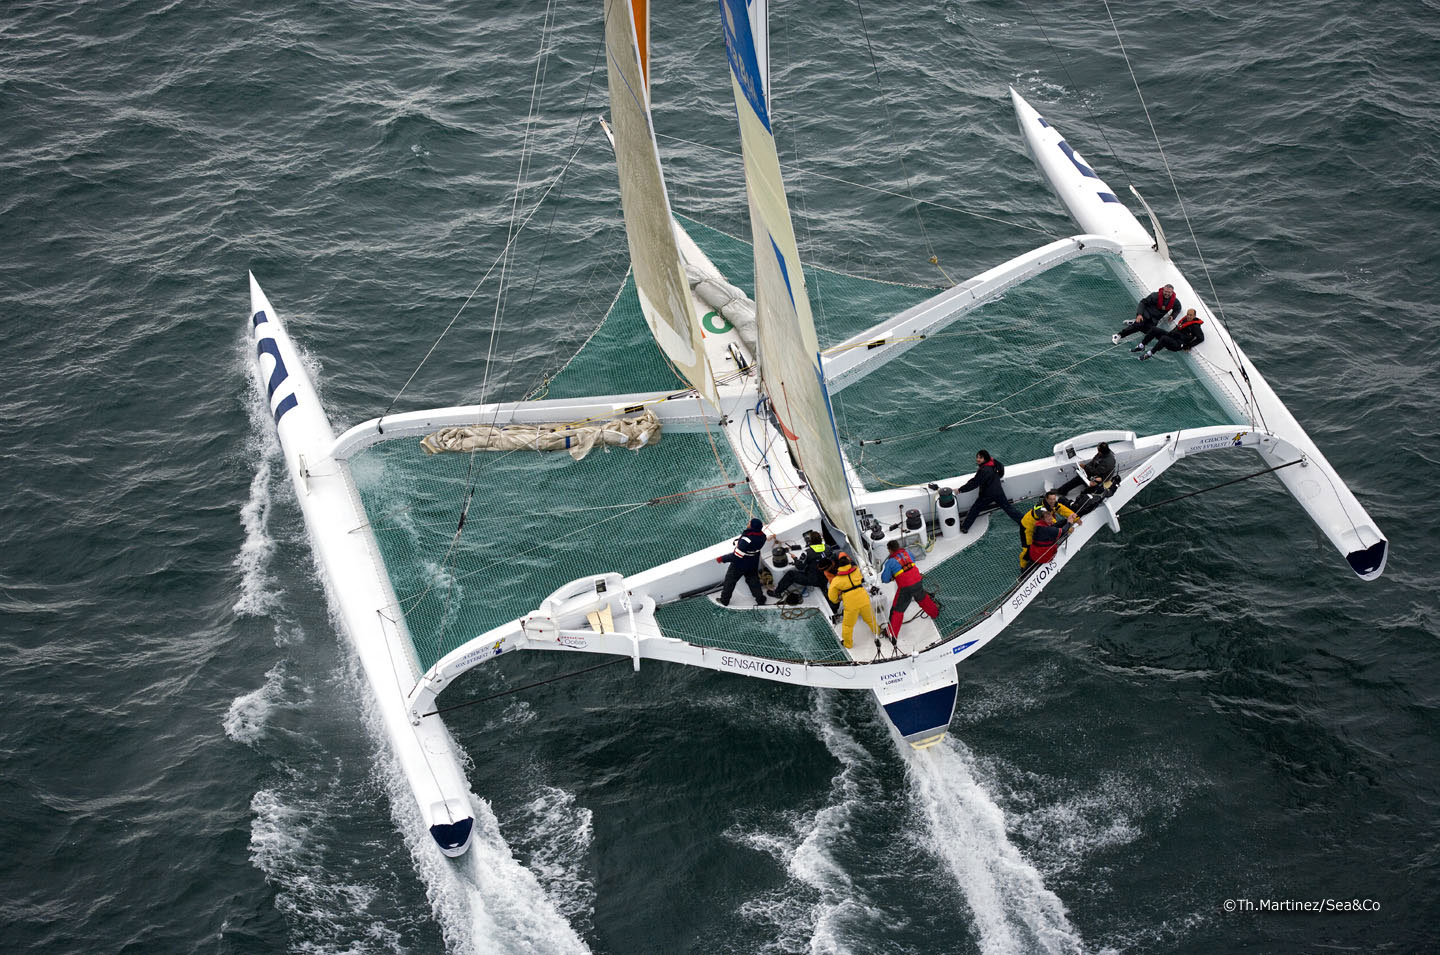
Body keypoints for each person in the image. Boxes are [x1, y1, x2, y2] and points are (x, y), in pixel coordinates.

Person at [880, 539, 940, 638]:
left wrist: (893, 577)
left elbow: (884, 579)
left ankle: (891, 634)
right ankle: (935, 613)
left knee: (897, 611)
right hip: (917, 581)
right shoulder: (907, 553)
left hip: (905, 588)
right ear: (898, 547)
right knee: (923, 599)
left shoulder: (890, 562)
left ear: (890, 550)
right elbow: (912, 561)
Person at [958, 449, 1025, 534]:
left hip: (987, 494)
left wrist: (960, 490)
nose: (978, 459)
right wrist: (998, 476)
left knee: (975, 508)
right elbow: (1001, 467)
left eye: (980, 458)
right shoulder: (993, 462)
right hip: (998, 491)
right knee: (1007, 508)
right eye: (977, 457)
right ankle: (1023, 521)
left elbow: (974, 483)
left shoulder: (984, 470)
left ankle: (965, 527)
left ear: (985, 459)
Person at [826, 552, 878, 650]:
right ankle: (878, 632)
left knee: (848, 625)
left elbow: (831, 596)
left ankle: (848, 644)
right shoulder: (857, 571)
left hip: (851, 604)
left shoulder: (836, 580)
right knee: (870, 619)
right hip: (863, 599)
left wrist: (837, 600)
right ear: (849, 563)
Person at [1019, 491, 1079, 569]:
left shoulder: (1053, 504)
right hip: (1027, 528)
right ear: (1046, 499)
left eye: (1054, 499)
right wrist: (1066, 528)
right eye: (1050, 499)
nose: (1053, 501)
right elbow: (1049, 520)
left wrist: (1076, 518)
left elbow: (1061, 509)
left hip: (1039, 528)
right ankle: (1023, 567)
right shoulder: (1040, 508)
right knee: (1027, 549)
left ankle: (1035, 560)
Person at [716, 517, 768, 606]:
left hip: (740, 564)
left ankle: (724, 600)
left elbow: (736, 556)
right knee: (753, 580)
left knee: (730, 581)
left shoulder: (746, 540)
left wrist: (722, 559)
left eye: (749, 523)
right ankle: (760, 600)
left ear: (752, 527)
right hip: (753, 562)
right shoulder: (763, 536)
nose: (748, 523)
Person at [768, 530, 829, 599]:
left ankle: (777, 592)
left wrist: (795, 559)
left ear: (810, 541)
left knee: (791, 574)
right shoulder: (828, 548)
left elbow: (800, 567)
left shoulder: (807, 552)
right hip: (825, 578)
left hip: (813, 580)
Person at [1113, 284, 1181, 343]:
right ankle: (1118, 335)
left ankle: (1133, 322)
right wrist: (1139, 314)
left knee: (1148, 331)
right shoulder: (1154, 295)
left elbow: (1178, 308)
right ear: (1163, 290)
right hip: (1145, 314)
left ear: (1172, 292)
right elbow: (1142, 302)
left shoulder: (1175, 301)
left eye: (1169, 292)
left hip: (1154, 319)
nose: (1167, 294)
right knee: (1137, 326)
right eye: (1165, 291)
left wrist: (1173, 316)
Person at [1138, 310, 1204, 360]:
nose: (1188, 316)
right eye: (1188, 314)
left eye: (1191, 315)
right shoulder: (1185, 320)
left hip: (1178, 344)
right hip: (1172, 337)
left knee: (1164, 338)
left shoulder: (1195, 327)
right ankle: (1142, 345)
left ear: (1194, 316)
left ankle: (1149, 354)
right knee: (1154, 329)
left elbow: (1201, 338)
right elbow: (1177, 328)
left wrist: (1189, 346)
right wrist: (1169, 334)